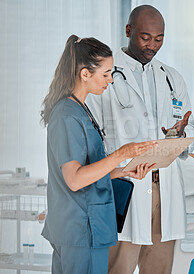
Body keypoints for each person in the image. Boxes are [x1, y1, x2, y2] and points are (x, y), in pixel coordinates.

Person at [86, 5, 194, 274]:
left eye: (159, 39)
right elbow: (92, 132)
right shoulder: (106, 74)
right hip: (126, 185)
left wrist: (180, 134)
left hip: (164, 188)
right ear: (128, 30)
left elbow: (190, 127)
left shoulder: (172, 77)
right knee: (117, 268)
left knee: (159, 269)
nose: (152, 46)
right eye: (145, 37)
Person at [40, 35, 157, 273]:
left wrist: (124, 170)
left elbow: (89, 170)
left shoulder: (80, 109)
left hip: (88, 228)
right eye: (105, 74)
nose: (110, 80)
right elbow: (74, 179)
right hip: (79, 229)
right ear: (85, 74)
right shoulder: (67, 115)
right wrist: (121, 153)